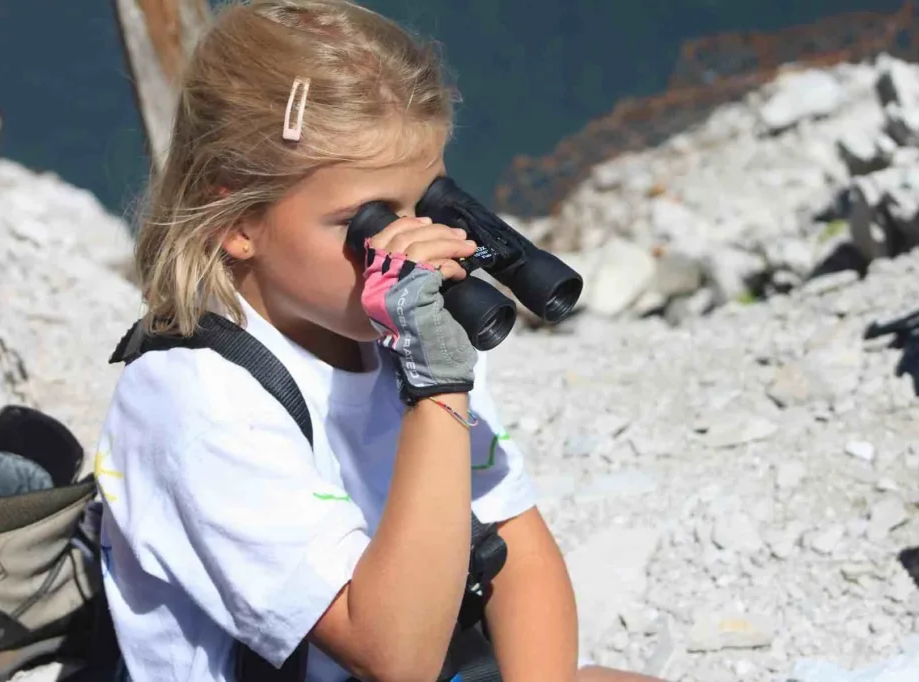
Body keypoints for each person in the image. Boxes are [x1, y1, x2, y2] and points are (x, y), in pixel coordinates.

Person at [96, 1, 663, 680]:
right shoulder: (196, 402)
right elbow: (394, 657)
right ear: (240, 221)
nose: (406, 248)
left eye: (426, 204)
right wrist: (437, 386)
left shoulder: (408, 326)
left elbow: (516, 544)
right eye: (361, 224)